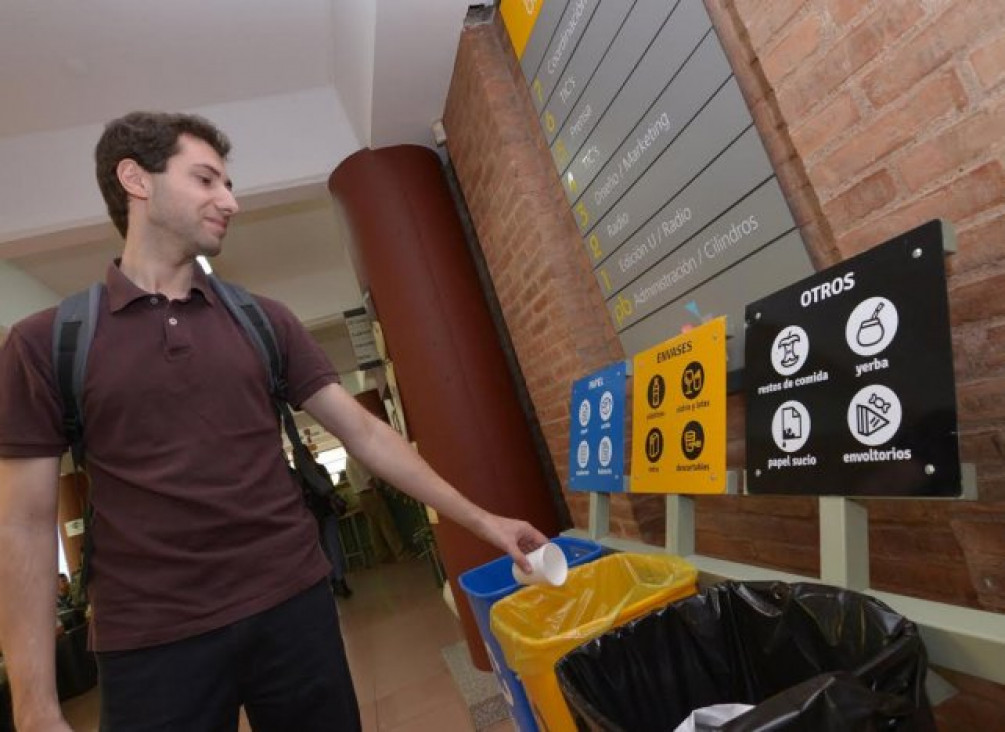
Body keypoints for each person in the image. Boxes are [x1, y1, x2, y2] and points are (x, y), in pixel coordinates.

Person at [0, 111, 548, 732]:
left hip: (293, 608)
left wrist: (484, 520)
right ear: (136, 179)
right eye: (206, 180)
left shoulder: (264, 320)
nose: (229, 200)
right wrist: (34, 703)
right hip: (150, 640)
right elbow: (21, 524)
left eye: (228, 185)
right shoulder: (49, 342)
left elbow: (365, 434)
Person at [345, 454, 412, 563]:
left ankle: (381, 555)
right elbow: (369, 479)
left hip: (361, 496)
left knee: (374, 527)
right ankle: (401, 553)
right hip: (371, 494)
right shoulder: (356, 458)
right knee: (386, 524)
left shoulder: (348, 460)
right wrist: (381, 487)